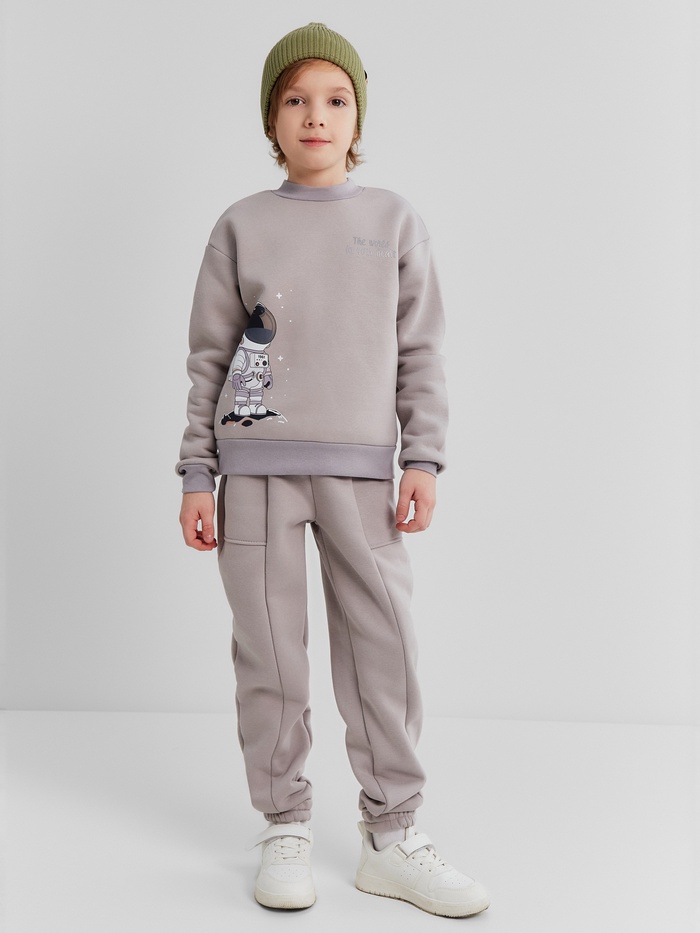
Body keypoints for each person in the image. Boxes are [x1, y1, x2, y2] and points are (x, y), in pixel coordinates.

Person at [176, 22, 489, 918]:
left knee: (383, 649)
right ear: (271, 120)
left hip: (362, 475)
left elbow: (420, 350)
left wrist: (423, 455)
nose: (316, 114)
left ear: (358, 119)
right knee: (270, 657)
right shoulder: (240, 226)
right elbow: (208, 357)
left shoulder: (393, 221)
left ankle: (392, 835)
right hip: (253, 477)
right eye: (295, 98)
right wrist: (197, 472)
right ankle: (284, 824)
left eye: (336, 98)